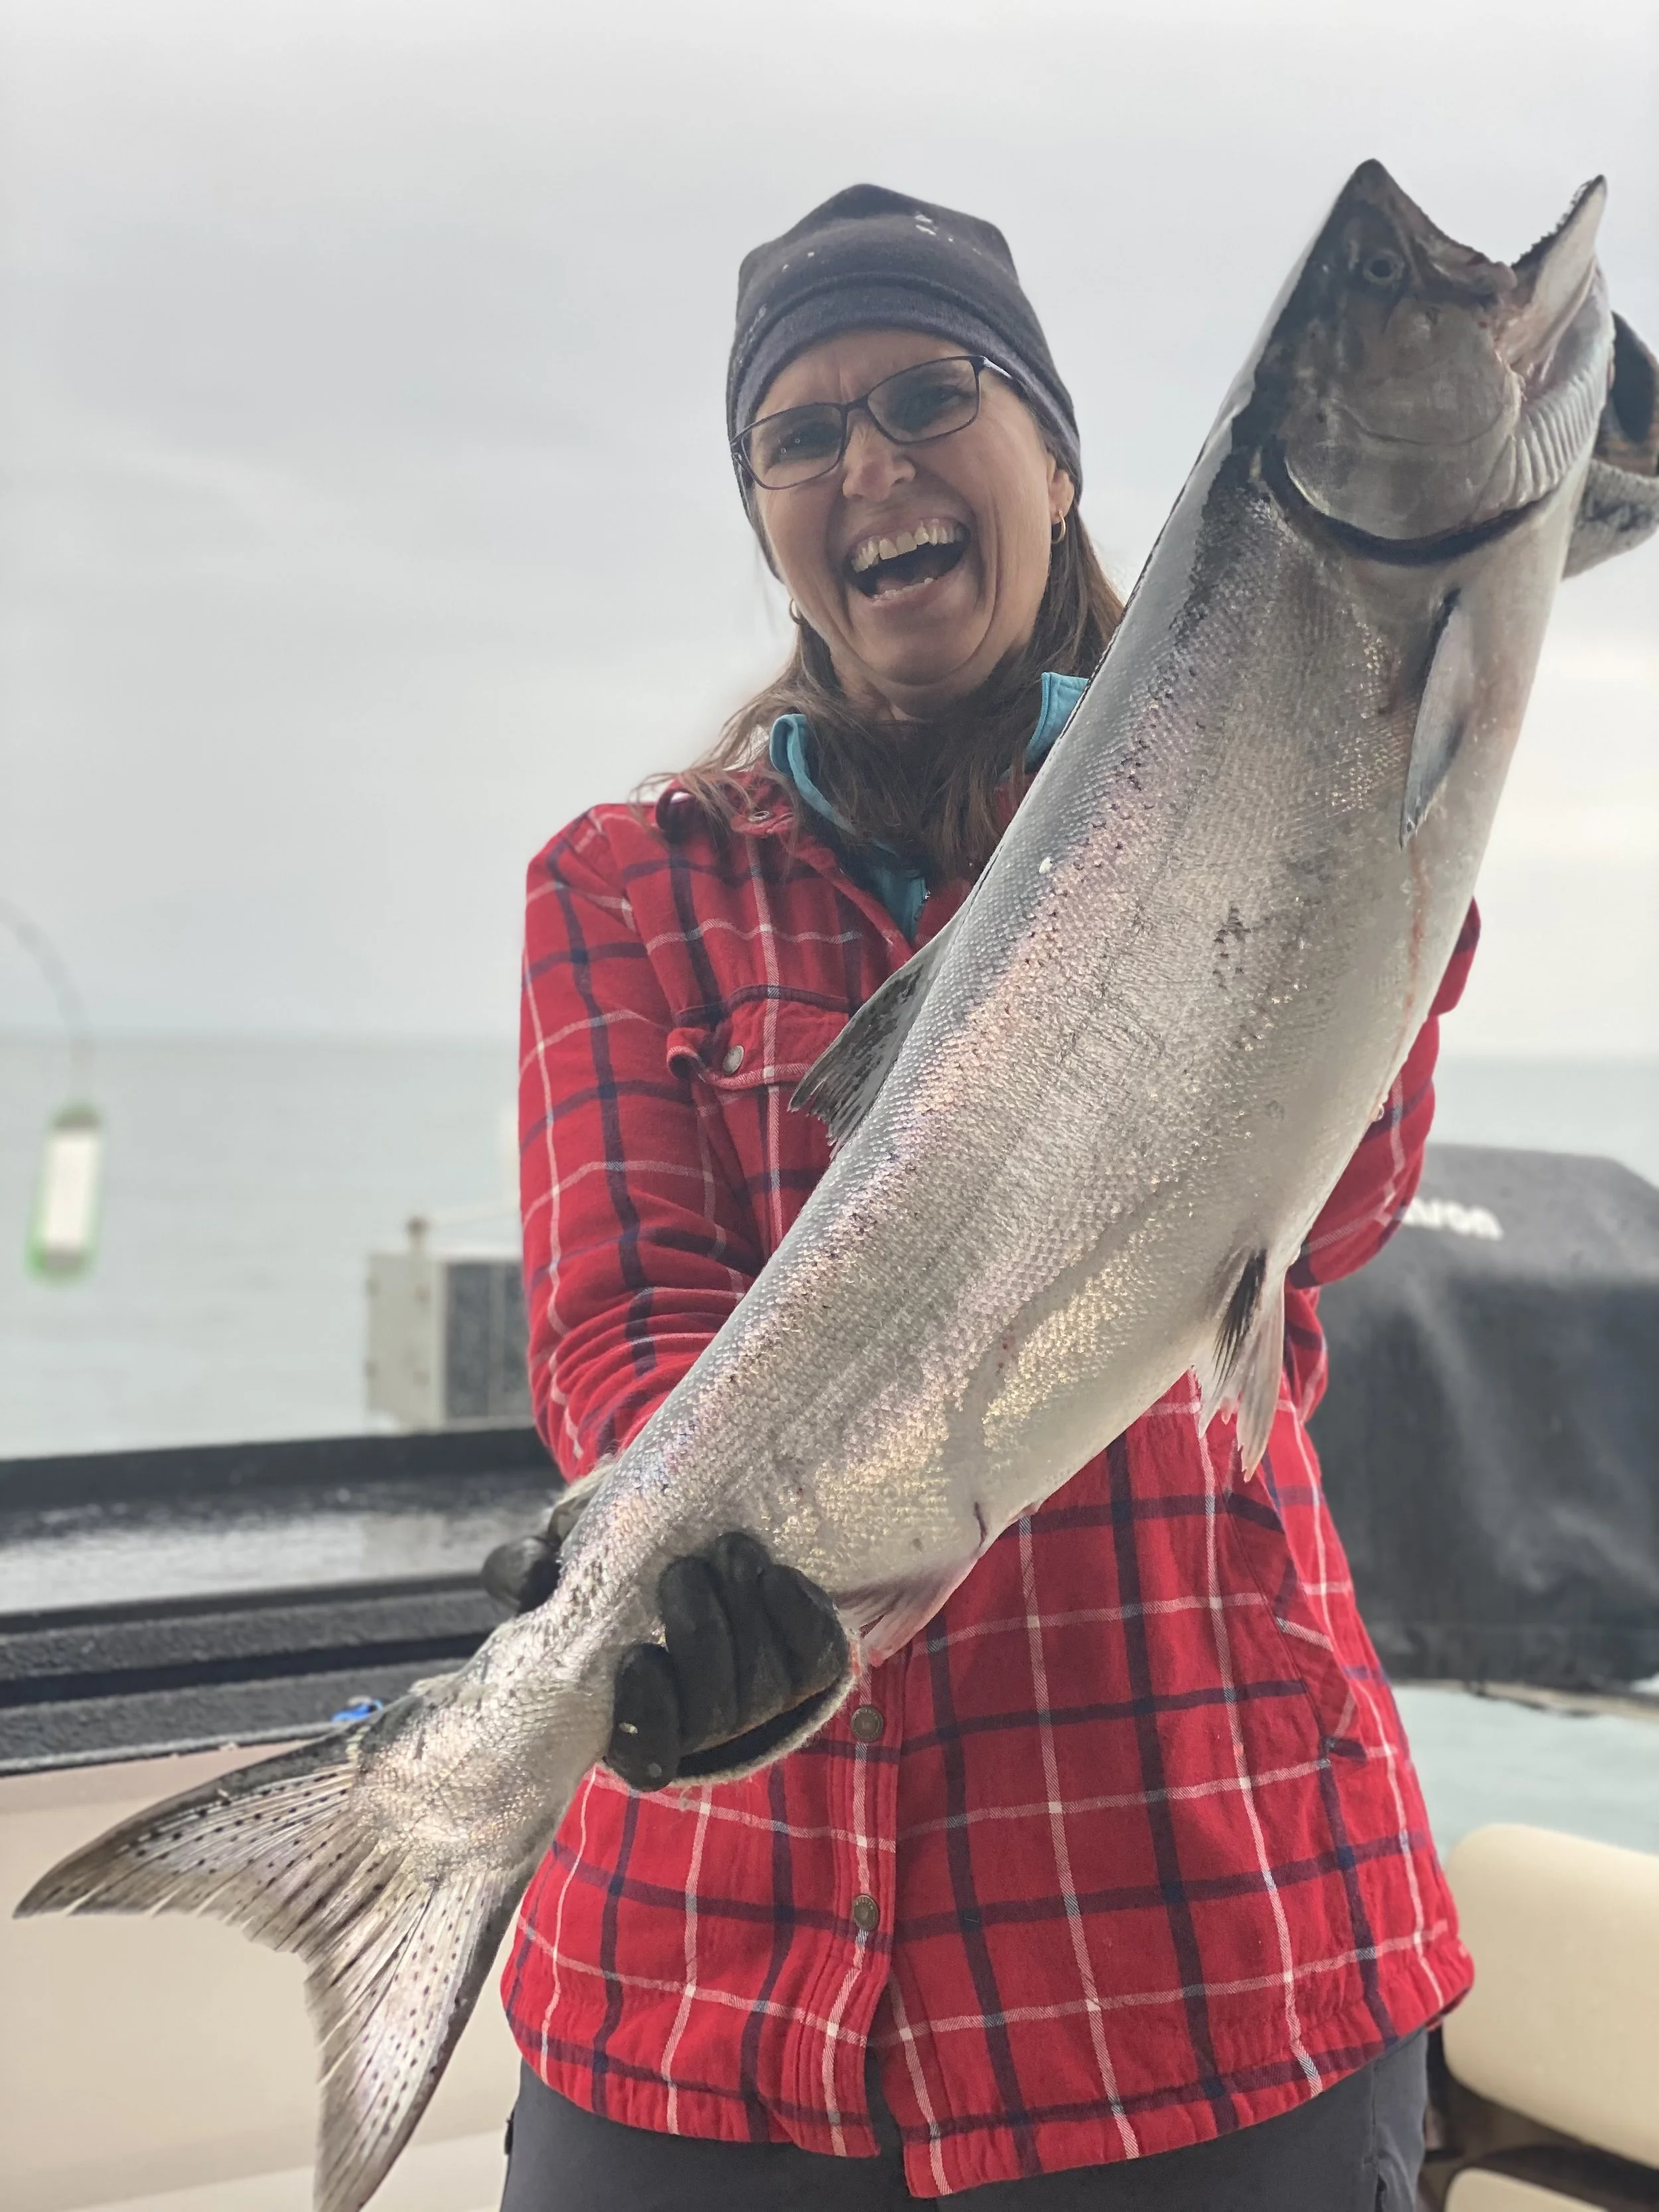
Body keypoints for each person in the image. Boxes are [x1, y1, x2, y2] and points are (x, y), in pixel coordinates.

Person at [486, 183, 1481, 2209]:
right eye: (799, 431)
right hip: (704, 1983)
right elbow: (618, 1329)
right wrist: (672, 1580)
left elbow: (1346, 1197)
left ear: (1053, 450)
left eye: (932, 393)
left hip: (1210, 1960)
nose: (870, 463)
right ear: (763, 510)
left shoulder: (1266, 764)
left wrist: (1499, 505)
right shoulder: (625, 880)